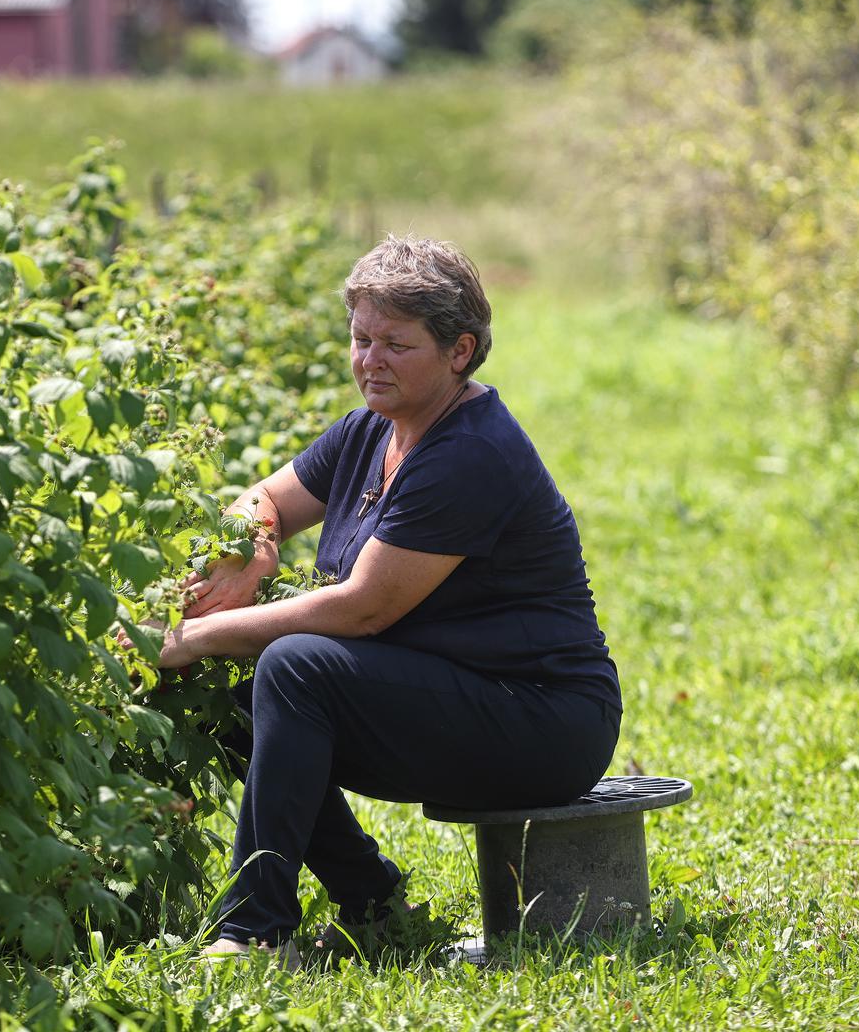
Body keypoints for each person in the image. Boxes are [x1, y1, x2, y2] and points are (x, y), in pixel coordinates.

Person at [150, 235, 622, 966]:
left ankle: (254, 932)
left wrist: (199, 635)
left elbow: (364, 609)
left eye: (395, 345)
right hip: (457, 694)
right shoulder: (374, 428)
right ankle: (373, 905)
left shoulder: (470, 453)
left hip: (542, 719)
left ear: (459, 351)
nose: (370, 361)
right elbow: (266, 497)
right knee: (241, 698)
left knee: (295, 667)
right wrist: (257, 546)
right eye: (361, 339)